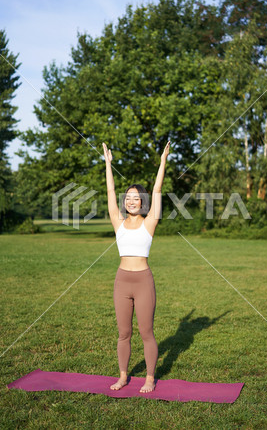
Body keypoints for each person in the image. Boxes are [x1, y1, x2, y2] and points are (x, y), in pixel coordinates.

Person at [102, 140, 170, 393]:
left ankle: (150, 377)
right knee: (123, 333)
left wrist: (163, 162)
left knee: (146, 332)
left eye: (135, 198)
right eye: (128, 198)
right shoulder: (117, 222)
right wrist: (108, 164)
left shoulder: (149, 222)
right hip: (122, 281)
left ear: (142, 201)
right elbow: (110, 193)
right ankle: (123, 376)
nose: (131, 201)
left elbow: (157, 189)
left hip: (143, 281)